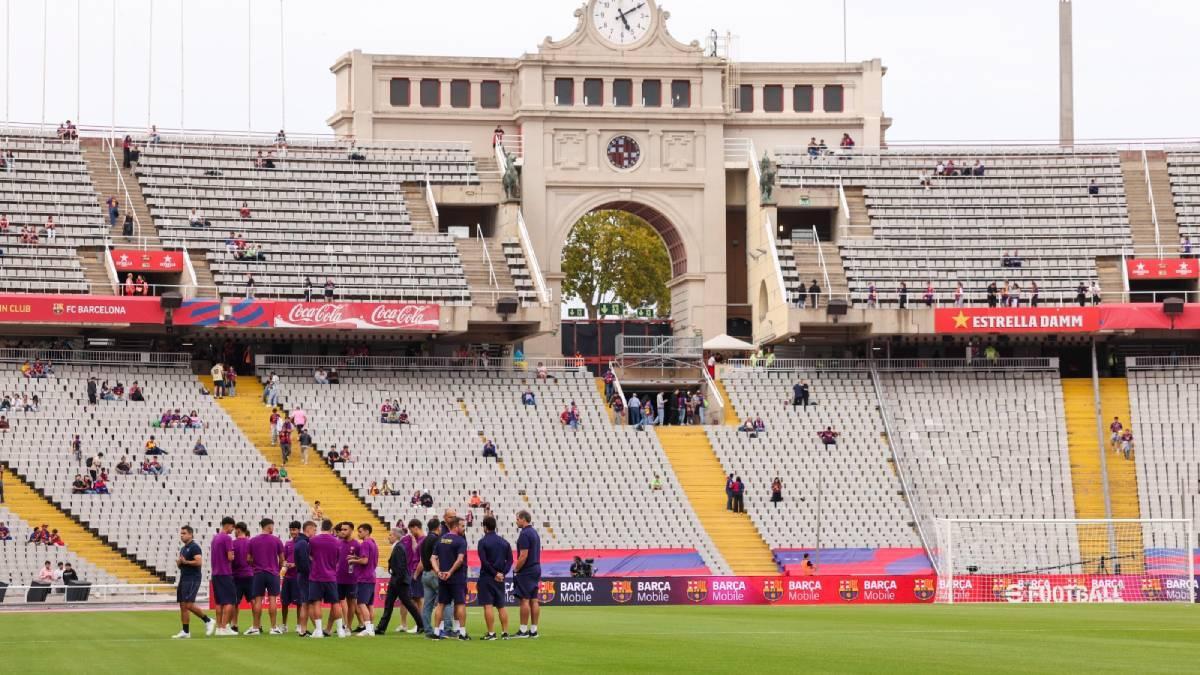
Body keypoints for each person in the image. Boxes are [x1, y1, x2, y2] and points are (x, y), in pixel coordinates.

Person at [375, 524, 425, 635]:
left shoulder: (399, 547)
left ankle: (421, 625)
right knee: (390, 604)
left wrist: (397, 580)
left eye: (390, 535)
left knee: (408, 604)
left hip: (399, 581)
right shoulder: (398, 547)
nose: (388, 537)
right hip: (397, 580)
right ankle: (381, 628)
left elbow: (401, 566)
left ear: (396, 536)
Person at [306, 519, 348, 639]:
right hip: (331, 576)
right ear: (331, 528)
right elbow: (338, 558)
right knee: (335, 603)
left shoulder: (313, 540)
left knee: (316, 603)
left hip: (316, 576)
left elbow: (310, 555)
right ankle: (340, 630)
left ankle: (319, 631)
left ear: (321, 527)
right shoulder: (337, 542)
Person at [171, 525, 215, 638]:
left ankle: (208, 620)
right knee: (182, 605)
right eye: (181, 533)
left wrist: (185, 562)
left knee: (189, 604)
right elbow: (183, 565)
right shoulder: (183, 548)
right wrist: (180, 563)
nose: (182, 535)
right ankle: (186, 631)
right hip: (184, 577)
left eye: (184, 533)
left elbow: (199, 562)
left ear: (190, 534)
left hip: (192, 578)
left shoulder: (194, 547)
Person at [431, 516, 469, 640]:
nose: (464, 529)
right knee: (460, 604)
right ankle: (462, 633)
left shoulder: (441, 539)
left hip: (442, 577)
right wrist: (450, 572)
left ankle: (436, 632)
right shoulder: (461, 541)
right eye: (462, 526)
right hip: (456, 577)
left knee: (440, 604)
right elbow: (460, 559)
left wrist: (438, 571)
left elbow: (433, 558)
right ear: (456, 526)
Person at [246, 518, 285, 635]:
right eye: (272, 526)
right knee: (273, 599)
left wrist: (255, 566)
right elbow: (282, 559)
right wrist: (277, 569)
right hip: (272, 573)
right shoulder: (276, 540)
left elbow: (248, 559)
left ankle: (256, 627)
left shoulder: (252, 541)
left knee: (258, 600)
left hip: (258, 573)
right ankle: (273, 627)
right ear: (269, 527)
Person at [477, 515, 513, 641]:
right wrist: (503, 573)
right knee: (501, 606)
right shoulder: (504, 542)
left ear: (485, 527)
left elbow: (484, 562)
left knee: (488, 606)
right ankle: (505, 632)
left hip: (487, 577)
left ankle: (491, 633)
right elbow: (510, 560)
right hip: (500, 579)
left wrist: (494, 573)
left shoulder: (482, 542)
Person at [512, 510, 542, 639]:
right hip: (536, 567)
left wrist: (516, 568)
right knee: (534, 600)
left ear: (524, 519)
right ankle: (534, 630)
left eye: (518, 519)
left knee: (524, 599)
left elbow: (523, 555)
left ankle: (523, 630)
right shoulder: (534, 532)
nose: (516, 521)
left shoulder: (524, 534)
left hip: (527, 569)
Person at [349, 523, 379, 636]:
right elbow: (368, 559)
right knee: (370, 604)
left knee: (361, 603)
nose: (358, 533)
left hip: (364, 577)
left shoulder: (365, 544)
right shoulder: (373, 543)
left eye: (360, 531)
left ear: (367, 531)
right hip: (371, 576)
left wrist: (353, 561)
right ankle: (370, 628)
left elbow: (365, 561)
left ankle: (367, 628)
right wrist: (356, 557)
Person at [285, 520, 313, 636]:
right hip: (299, 576)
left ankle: (301, 628)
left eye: (294, 529)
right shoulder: (299, 543)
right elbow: (303, 560)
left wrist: (295, 565)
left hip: (298, 574)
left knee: (302, 603)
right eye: (291, 530)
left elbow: (302, 560)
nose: (293, 532)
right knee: (306, 603)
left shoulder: (303, 542)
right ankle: (308, 628)